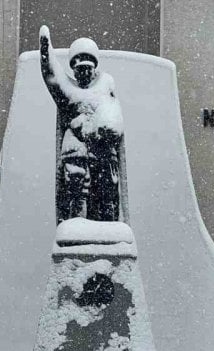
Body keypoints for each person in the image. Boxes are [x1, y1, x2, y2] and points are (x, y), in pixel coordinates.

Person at [39, 25, 126, 224]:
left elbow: (115, 122)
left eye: (88, 67)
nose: (84, 72)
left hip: (103, 154)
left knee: (107, 198)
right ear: (74, 69)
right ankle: (75, 226)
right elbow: (51, 76)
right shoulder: (68, 91)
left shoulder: (106, 85)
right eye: (80, 68)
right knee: (76, 196)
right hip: (76, 153)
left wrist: (100, 130)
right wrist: (45, 52)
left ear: (94, 68)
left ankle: (108, 230)